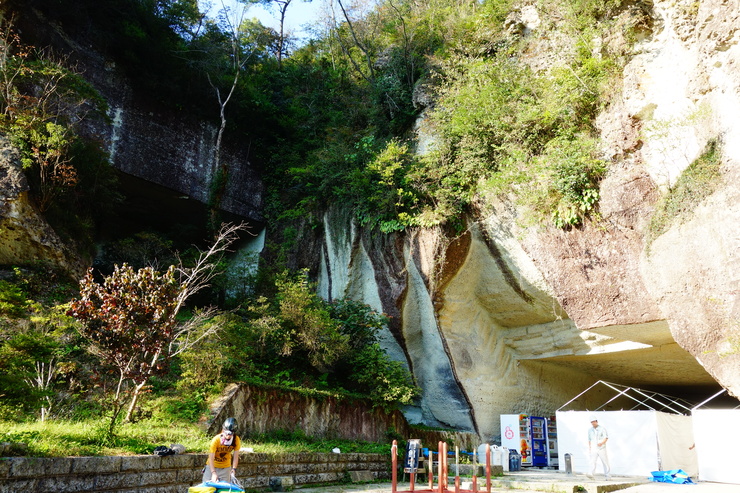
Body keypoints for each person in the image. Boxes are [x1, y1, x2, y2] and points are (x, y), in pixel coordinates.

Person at [202, 417, 241, 484]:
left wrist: (233, 469)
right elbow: (211, 458)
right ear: (223, 430)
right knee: (207, 488)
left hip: (225, 468)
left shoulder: (236, 440)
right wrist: (213, 473)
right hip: (212, 466)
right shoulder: (216, 440)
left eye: (230, 434)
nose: (228, 436)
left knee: (224, 489)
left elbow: (236, 456)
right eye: (226, 433)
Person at [587, 416, 610, 480]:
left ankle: (607, 476)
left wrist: (602, 443)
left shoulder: (602, 429)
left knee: (605, 461)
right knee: (592, 461)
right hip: (594, 447)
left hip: (601, 447)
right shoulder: (590, 430)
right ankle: (591, 474)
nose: (593, 423)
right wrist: (590, 447)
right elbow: (589, 439)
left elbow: (606, 437)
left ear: (597, 421)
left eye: (594, 421)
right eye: (592, 422)